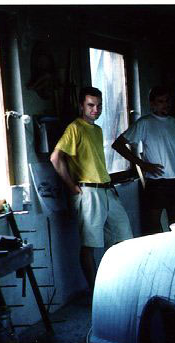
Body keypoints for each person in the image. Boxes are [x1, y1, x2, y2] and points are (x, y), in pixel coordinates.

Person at [50, 86, 133, 291]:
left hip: (106, 189)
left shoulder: (97, 130)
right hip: (88, 192)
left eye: (99, 106)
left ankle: (117, 286)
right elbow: (55, 158)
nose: (95, 110)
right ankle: (95, 292)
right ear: (81, 106)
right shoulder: (75, 128)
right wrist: (72, 186)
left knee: (124, 236)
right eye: (91, 105)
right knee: (90, 244)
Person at [111, 86, 175, 235]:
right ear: (152, 104)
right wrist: (142, 164)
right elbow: (118, 144)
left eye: (167, 101)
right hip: (156, 183)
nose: (165, 105)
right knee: (153, 227)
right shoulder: (144, 123)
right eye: (160, 101)